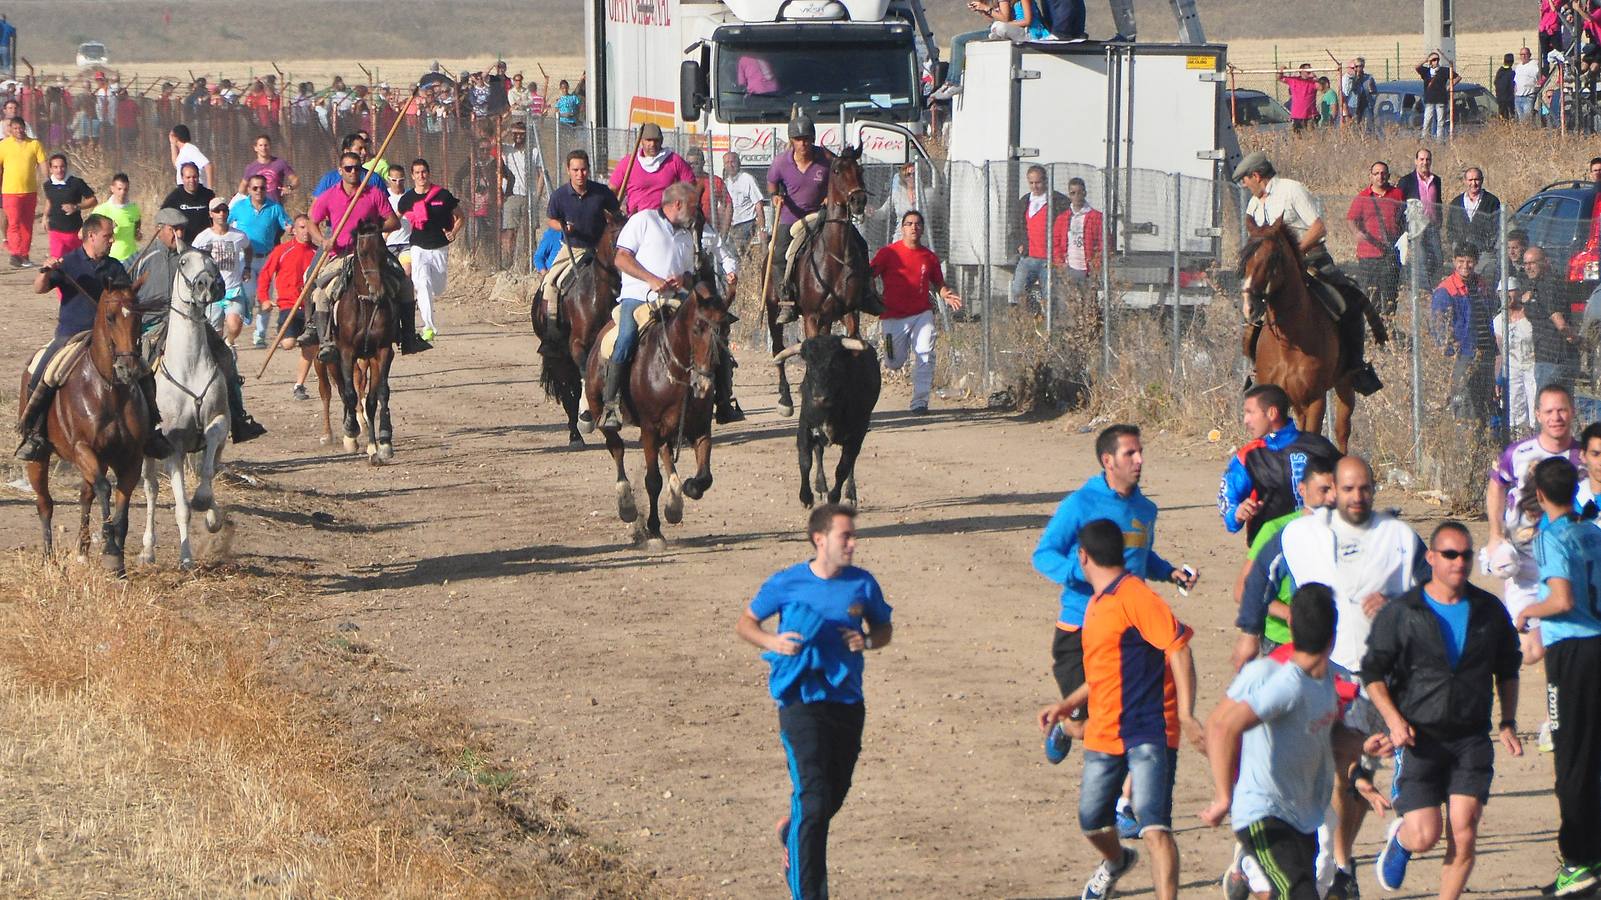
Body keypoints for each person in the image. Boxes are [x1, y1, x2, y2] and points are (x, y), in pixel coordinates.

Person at [1279, 454, 1429, 894]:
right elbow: (1257, 589)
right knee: (1345, 769)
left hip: (1388, 674)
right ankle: (1340, 866)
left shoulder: (1398, 536)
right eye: (1346, 489)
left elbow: (1433, 592)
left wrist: (1398, 606)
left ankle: (1346, 860)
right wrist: (1261, 634)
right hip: (1336, 673)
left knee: (1363, 770)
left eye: (1364, 488)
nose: (1355, 497)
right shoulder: (1302, 536)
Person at [1037, 518, 1202, 900]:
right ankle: (1117, 861)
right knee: (1093, 821)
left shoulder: (1137, 598)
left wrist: (1186, 713)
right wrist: (1065, 705)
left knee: (1155, 827)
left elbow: (1178, 647)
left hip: (1149, 731)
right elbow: (1100, 675)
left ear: (1082, 557)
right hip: (1105, 732)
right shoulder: (1097, 605)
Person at [735, 504, 892, 900]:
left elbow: (884, 627)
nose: (853, 544)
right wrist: (774, 642)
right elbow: (746, 623)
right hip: (800, 702)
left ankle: (793, 832)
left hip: (847, 704)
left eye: (853, 536)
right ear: (820, 539)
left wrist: (868, 641)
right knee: (813, 798)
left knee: (833, 794)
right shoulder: (787, 583)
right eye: (846, 536)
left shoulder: (863, 585)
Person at [1363, 521, 1523, 898]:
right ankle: (1402, 840)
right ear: (1432, 557)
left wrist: (1508, 721)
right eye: (1450, 554)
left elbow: (1508, 665)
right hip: (1420, 737)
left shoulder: (1488, 610)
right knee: (1426, 834)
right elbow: (1372, 672)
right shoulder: (1404, 611)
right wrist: (1394, 720)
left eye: (1466, 555)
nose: (1459, 562)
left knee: (1464, 829)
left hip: (1470, 738)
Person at [1032, 423, 1199, 764]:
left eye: (1140, 453)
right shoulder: (1080, 504)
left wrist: (1169, 572)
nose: (1139, 460)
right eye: (1130, 454)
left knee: (1129, 722)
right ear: (1108, 460)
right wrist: (1087, 572)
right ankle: (1067, 727)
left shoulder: (1145, 510)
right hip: (1080, 629)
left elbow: (1140, 555)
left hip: (1129, 632)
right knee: (1090, 725)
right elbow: (1044, 554)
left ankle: (1125, 806)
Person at [1200, 584, 1345, 900]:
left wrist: (1363, 755)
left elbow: (1326, 739)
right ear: (1334, 636)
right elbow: (1221, 728)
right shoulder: (1282, 682)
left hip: (1303, 814)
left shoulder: (1326, 681)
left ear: (1290, 625)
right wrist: (1226, 796)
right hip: (1263, 814)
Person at [1505, 458, 1601, 895]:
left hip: (1575, 656)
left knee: (1569, 759)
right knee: (1592, 754)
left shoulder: (1551, 536)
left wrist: (1527, 611)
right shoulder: (1593, 532)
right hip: (1595, 645)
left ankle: (1578, 860)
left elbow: (1560, 599)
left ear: (1540, 496)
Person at [16, 215, 172, 461]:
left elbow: (126, 301)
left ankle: (151, 432)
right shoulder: (68, 262)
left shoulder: (115, 267)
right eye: (107, 236)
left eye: (111, 236)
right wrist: (46, 270)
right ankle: (34, 432)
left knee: (144, 373)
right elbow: (39, 287)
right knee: (43, 370)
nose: (111, 241)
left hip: (107, 340)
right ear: (91, 236)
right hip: (71, 335)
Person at [1233, 151, 1382, 395]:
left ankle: (1356, 367)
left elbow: (1318, 227)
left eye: (1245, 180)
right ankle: (1258, 370)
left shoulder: (1292, 190)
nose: (1245, 185)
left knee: (1348, 300)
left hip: (1311, 259)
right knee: (1253, 311)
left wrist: (1293, 253)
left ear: (1256, 175)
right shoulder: (1253, 205)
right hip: (1274, 270)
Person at [128, 207, 266, 444]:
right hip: (155, 326)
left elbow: (220, 288)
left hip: (195, 324)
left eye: (182, 229)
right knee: (137, 369)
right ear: (159, 229)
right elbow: (118, 284)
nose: (179, 234)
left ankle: (238, 418)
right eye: (173, 229)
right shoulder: (141, 259)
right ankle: (140, 426)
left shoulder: (199, 258)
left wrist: (211, 290)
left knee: (225, 357)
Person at [302, 150, 431, 358]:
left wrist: (373, 228)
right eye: (348, 168)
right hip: (342, 254)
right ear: (340, 171)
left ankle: (408, 336)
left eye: (357, 168)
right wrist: (322, 240)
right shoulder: (330, 195)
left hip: (373, 253)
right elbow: (311, 222)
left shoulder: (374, 193)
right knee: (321, 292)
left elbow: (394, 221)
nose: (353, 172)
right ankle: (324, 340)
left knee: (405, 284)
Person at [1485, 384, 1580, 663]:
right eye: (1549, 411)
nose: (1556, 417)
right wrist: (1495, 535)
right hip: (1525, 566)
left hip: (1568, 565)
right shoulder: (1519, 453)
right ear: (1538, 414)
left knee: (1567, 644)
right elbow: (1496, 485)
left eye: (1562, 410)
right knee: (1531, 653)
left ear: (1572, 412)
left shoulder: (1585, 457)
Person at [599, 181, 699, 429]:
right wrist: (651, 279)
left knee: (709, 333)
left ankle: (722, 398)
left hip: (676, 298)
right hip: (639, 296)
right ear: (677, 204)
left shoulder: (686, 235)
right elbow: (621, 258)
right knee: (626, 338)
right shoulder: (643, 220)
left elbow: (689, 274)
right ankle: (611, 405)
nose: (696, 212)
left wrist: (683, 279)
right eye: (693, 206)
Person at [1231, 456, 1338, 669]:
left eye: (1336, 490)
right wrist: (1290, 613)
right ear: (1302, 490)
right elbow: (1242, 590)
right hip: (1281, 640)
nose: (1331, 498)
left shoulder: (1345, 531)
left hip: (1332, 642)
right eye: (1323, 490)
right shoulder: (1277, 530)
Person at [1217, 382, 1341, 544]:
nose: (1246, 420)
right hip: (1269, 549)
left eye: (1250, 412)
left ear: (1272, 413)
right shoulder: (1248, 457)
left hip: (1317, 545)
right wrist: (1237, 513)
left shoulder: (1319, 447)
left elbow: (1349, 485)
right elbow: (1227, 499)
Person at [869, 210, 963, 414]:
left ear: (922, 229)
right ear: (902, 228)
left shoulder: (928, 256)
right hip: (893, 316)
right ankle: (887, 353)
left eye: (918, 224)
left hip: (921, 314)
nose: (913, 227)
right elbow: (870, 274)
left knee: (925, 354)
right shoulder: (888, 253)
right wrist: (873, 294)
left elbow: (938, 283)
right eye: (909, 223)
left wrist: (946, 294)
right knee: (894, 363)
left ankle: (920, 402)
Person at [764, 113, 835, 325]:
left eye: (807, 138)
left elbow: (839, 178)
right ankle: (786, 300)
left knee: (852, 241)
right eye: (798, 139)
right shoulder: (780, 162)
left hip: (820, 215)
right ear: (792, 141)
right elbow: (771, 183)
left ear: (813, 139)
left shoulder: (826, 158)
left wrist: (829, 196)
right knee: (777, 255)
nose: (803, 143)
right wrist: (775, 196)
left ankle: (862, 292)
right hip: (790, 217)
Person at [541, 149, 622, 312]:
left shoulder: (602, 192)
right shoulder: (559, 196)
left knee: (624, 282)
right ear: (568, 170)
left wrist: (614, 220)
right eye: (575, 170)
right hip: (572, 249)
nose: (580, 174)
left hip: (600, 250)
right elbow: (551, 220)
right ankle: (551, 321)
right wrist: (562, 227)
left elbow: (617, 215)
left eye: (583, 169)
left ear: (589, 169)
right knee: (550, 283)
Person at [397, 158, 464, 343]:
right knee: (422, 283)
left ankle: (424, 300)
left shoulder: (442, 195)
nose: (421, 176)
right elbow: (396, 218)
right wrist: (384, 234)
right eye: (417, 173)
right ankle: (429, 327)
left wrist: (454, 232)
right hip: (418, 247)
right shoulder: (407, 199)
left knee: (438, 287)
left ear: (429, 173)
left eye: (424, 172)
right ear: (412, 176)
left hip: (439, 247)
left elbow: (460, 216)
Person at [1430, 242, 1497, 423]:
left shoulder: (1481, 285)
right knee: (1464, 399)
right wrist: (1450, 347)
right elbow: (1438, 324)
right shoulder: (1446, 290)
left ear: (1475, 262)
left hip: (1485, 351)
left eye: (1469, 261)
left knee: (1484, 399)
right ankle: (1464, 444)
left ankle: (1482, 440)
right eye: (1461, 261)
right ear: (1454, 261)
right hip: (1463, 355)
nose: (1465, 266)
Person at [257, 215, 318, 399]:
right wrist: (264, 299)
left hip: (310, 307)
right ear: (294, 230)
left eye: (308, 227)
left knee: (310, 347)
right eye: (301, 227)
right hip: (288, 305)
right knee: (288, 344)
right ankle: (294, 335)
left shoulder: (318, 253)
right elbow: (265, 276)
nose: (305, 231)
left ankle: (299, 385)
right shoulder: (282, 251)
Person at [229, 173, 292, 348]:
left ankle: (260, 335)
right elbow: (224, 224)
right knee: (248, 294)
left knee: (265, 297)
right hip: (244, 259)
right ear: (249, 189)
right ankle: (247, 312)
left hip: (266, 259)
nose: (258, 191)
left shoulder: (274, 208)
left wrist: (290, 228)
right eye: (255, 188)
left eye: (262, 188)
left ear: (267, 189)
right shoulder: (239, 207)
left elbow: (286, 223)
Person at [1346, 160, 1405, 318]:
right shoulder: (1362, 197)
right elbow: (1351, 219)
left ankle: (1389, 330)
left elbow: (1404, 218)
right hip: (1368, 256)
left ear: (1388, 176)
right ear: (1370, 176)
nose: (1380, 176)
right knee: (1370, 296)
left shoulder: (1397, 194)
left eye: (1383, 173)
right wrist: (1356, 233)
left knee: (1390, 296)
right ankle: (1371, 331)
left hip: (1390, 255)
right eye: (1376, 173)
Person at [1515, 246, 1579, 392]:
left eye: (1532, 263)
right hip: (1545, 357)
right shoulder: (1536, 284)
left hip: (1554, 359)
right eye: (1525, 264)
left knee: (1548, 408)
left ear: (1545, 262)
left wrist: (1578, 339)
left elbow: (1560, 324)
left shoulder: (1549, 285)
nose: (1528, 267)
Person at [192, 196, 253, 347]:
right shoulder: (203, 238)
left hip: (233, 289)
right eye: (217, 210)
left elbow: (248, 248)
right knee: (214, 332)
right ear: (211, 214)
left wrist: (247, 267)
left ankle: (229, 342)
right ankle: (219, 354)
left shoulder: (238, 235)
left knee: (235, 325)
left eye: (224, 210)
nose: (221, 214)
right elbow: (193, 257)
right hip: (213, 292)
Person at [1011, 165, 1068, 308]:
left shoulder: (1058, 201)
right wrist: (1019, 243)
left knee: (1049, 296)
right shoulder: (1024, 202)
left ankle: (1048, 323)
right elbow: (1016, 226)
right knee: (1018, 290)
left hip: (1048, 260)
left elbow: (1066, 227)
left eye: (1038, 182)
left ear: (1045, 181)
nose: (1035, 186)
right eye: (1031, 183)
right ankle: (1028, 317)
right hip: (1029, 257)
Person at [609, 122, 693, 217]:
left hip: (665, 220)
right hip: (635, 219)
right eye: (648, 140)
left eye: (656, 140)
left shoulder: (674, 161)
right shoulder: (628, 162)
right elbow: (612, 190)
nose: (652, 144)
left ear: (661, 141)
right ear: (641, 141)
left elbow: (691, 188)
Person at [0, 115, 46, 267]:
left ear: (24, 128)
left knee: (27, 224)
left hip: (30, 191)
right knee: (13, 223)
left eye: (20, 128)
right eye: (15, 128)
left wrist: (48, 182)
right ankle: (15, 254)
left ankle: (24, 255)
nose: (18, 131)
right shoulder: (4, 145)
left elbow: (42, 164)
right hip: (10, 191)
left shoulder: (34, 144)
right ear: (10, 130)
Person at [1398, 147, 1444, 285]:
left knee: (1438, 258)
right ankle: (1423, 289)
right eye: (1422, 159)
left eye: (1428, 159)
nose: (1425, 162)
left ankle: (1432, 284)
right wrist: (1404, 228)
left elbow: (1438, 202)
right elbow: (1399, 206)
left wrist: (1439, 221)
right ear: (1416, 161)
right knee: (1421, 259)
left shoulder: (1436, 180)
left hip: (1432, 226)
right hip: (1416, 227)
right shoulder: (1406, 181)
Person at [1494, 290, 1539, 431]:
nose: (1506, 295)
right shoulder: (1498, 321)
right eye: (1502, 292)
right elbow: (1499, 352)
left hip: (1532, 365)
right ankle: (1518, 437)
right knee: (1514, 404)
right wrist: (1497, 379)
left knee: (1535, 401)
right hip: (1512, 367)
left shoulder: (1530, 316)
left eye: (1510, 291)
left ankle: (1536, 435)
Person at [1444, 168, 1501, 272]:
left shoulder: (1492, 201)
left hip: (1483, 255)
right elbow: (1450, 227)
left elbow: (1497, 227)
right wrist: (1456, 244)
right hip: (1462, 254)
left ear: (1482, 180)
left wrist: (1489, 247)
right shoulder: (1456, 203)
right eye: (1470, 180)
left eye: (1476, 179)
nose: (1473, 183)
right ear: (1465, 181)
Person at [500, 120, 542, 264]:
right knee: (510, 232)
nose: (518, 136)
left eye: (521, 133)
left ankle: (529, 263)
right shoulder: (507, 149)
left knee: (529, 233)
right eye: (515, 133)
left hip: (529, 196)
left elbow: (541, 174)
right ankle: (508, 263)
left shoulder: (534, 151)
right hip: (511, 196)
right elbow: (494, 142)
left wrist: (537, 195)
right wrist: (508, 129)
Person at [40, 153, 96, 260]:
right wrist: (45, 216)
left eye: (62, 166)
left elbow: (93, 200)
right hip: (55, 230)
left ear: (66, 167)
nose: (59, 170)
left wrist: (76, 207)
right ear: (50, 169)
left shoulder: (76, 183)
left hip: (74, 231)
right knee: (57, 261)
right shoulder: (48, 185)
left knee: (77, 262)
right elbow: (49, 200)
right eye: (55, 167)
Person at [1050, 176, 1102, 289]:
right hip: (1069, 269)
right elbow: (1055, 243)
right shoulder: (1062, 218)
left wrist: (1095, 266)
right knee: (1067, 304)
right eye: (1073, 193)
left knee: (1088, 304)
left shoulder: (1096, 217)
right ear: (1069, 195)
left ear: (1085, 193)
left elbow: (1103, 244)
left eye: (1079, 193)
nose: (1076, 196)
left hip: (1088, 271)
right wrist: (1061, 264)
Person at [160, 162, 215, 244]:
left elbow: (216, 218)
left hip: (205, 242)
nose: (191, 180)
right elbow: (162, 219)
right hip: (183, 242)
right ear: (182, 178)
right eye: (188, 177)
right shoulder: (174, 197)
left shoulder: (208, 195)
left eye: (194, 177)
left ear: (198, 177)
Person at [238, 133, 297, 204]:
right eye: (260, 145)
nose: (263, 148)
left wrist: (289, 188)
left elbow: (296, 180)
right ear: (255, 148)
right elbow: (242, 189)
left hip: (275, 206)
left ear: (270, 146)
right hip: (257, 208)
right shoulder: (250, 168)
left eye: (266, 145)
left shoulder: (280, 163)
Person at [684, 147, 731, 234]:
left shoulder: (715, 181)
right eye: (689, 164)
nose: (692, 166)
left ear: (703, 163)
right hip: (687, 229)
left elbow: (728, 204)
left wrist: (724, 231)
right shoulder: (682, 182)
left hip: (710, 229)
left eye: (696, 163)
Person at [723, 151, 765, 249]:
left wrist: (762, 229)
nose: (730, 165)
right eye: (727, 163)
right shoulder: (726, 183)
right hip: (732, 226)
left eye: (732, 161)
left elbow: (758, 204)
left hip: (747, 225)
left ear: (739, 163)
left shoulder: (747, 179)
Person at [99, 172, 141, 265]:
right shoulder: (102, 210)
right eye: (119, 189)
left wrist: (138, 234)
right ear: (112, 189)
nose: (122, 192)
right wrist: (107, 229)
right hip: (111, 258)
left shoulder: (134, 209)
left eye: (125, 189)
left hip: (132, 258)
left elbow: (137, 228)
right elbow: (82, 234)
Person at [1417, 52, 1460, 139]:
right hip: (1429, 100)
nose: (1435, 61)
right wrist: (1425, 60)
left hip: (1440, 100)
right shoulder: (1426, 71)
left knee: (1440, 122)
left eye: (1437, 59)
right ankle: (1425, 139)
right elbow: (1417, 67)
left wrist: (1450, 86)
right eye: (1433, 60)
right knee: (1427, 121)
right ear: (1430, 61)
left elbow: (1458, 77)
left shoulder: (1444, 70)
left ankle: (1439, 140)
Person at [1279, 64, 1320, 131]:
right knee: (1298, 137)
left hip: (1310, 116)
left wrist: (1314, 76)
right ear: (1301, 71)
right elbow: (1279, 78)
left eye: (1310, 70)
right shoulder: (1294, 80)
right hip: (1297, 116)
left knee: (1312, 137)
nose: (1309, 72)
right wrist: (1281, 70)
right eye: (1307, 70)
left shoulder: (1313, 82)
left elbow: (1321, 87)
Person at [1343, 58, 1379, 127]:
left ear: (1363, 66)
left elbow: (1374, 92)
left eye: (1360, 66)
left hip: (1366, 105)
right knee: (1354, 126)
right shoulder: (1350, 78)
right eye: (1356, 66)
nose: (1358, 68)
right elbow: (1349, 90)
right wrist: (1356, 78)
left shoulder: (1368, 78)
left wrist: (1371, 89)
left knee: (1368, 125)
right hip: (1353, 106)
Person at [1514, 47, 1541, 121]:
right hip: (1518, 97)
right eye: (1521, 54)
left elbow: (1541, 77)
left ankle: (1529, 131)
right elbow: (1515, 81)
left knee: (1527, 119)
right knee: (1521, 120)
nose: (1523, 56)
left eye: (1525, 54)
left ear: (1529, 55)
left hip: (1528, 97)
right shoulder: (1518, 67)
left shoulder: (1534, 65)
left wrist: (1537, 88)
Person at [1494, 53, 1517, 119]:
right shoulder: (1511, 73)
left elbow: (1495, 82)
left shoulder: (1499, 71)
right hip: (1508, 100)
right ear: (1512, 62)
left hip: (1500, 99)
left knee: (1502, 117)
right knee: (1510, 117)